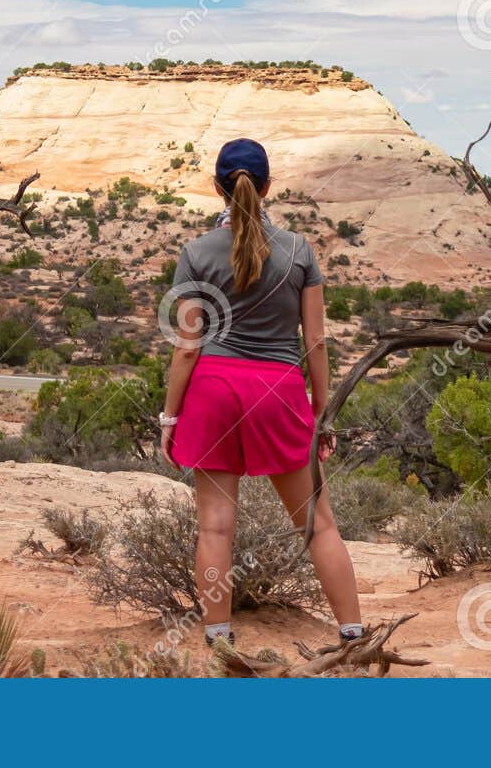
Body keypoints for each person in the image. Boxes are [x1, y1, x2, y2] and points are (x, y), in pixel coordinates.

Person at [159, 137, 362, 648]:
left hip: (213, 392)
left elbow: (187, 348)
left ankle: (220, 639)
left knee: (215, 528)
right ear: (268, 186)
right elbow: (314, 341)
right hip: (280, 392)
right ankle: (353, 633)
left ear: (216, 187)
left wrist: (169, 418)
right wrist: (322, 415)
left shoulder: (195, 253)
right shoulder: (299, 250)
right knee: (318, 524)